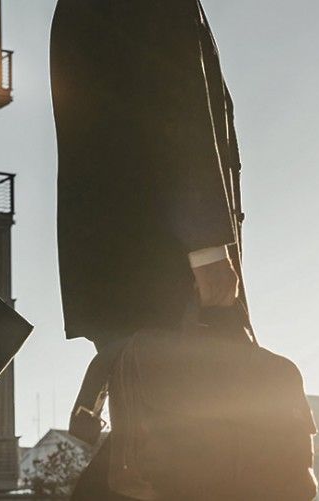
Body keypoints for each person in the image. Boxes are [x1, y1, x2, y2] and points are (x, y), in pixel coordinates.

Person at [49, 0, 246, 498]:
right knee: (176, 449)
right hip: (160, 260)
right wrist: (205, 248)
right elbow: (173, 104)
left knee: (149, 442)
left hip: (122, 263)